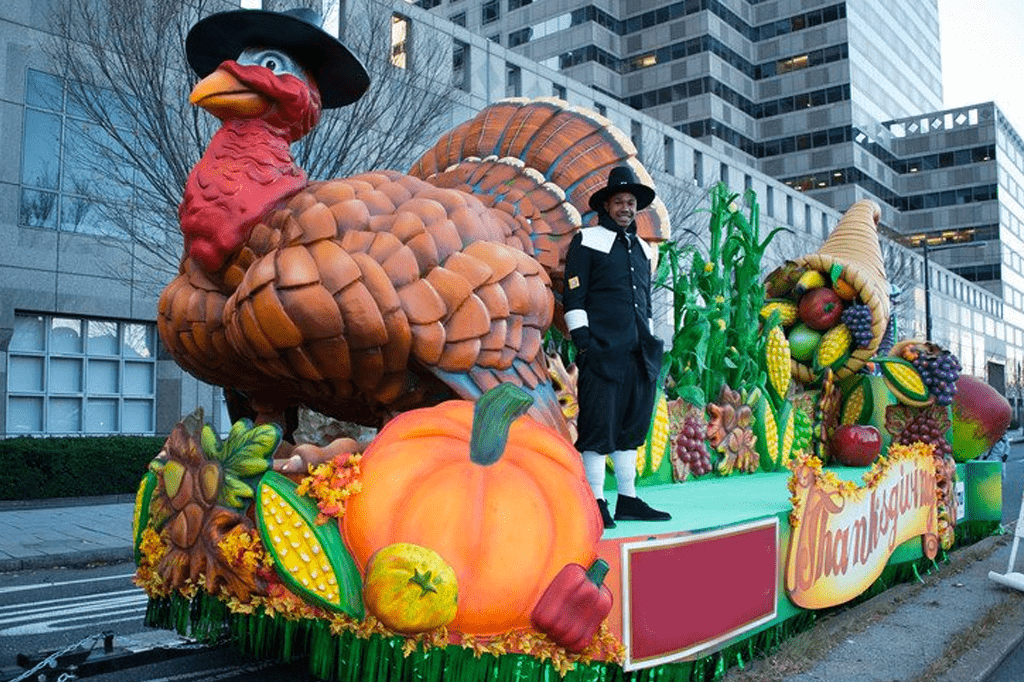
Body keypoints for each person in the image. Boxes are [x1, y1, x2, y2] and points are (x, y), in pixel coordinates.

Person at [563, 166, 671, 529]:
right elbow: (573, 296)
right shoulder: (587, 240)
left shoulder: (642, 248)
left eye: (630, 203)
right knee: (598, 427)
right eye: (619, 201)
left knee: (630, 427)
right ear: (606, 205)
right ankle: (596, 501)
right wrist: (585, 345)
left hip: (639, 353)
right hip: (601, 351)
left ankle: (628, 498)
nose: (625, 208)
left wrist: (651, 343)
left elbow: (647, 302)